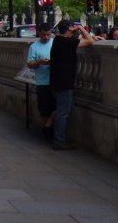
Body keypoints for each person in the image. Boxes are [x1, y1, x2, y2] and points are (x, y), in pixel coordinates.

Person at [48, 19, 97, 150]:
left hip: (56, 81)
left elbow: (82, 40)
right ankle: (59, 141)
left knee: (61, 111)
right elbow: (90, 40)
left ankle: (58, 138)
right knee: (63, 112)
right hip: (64, 82)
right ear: (70, 29)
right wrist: (81, 28)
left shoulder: (58, 40)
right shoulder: (67, 42)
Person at [24, 26, 55, 141]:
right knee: (44, 108)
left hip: (54, 80)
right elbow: (29, 64)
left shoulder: (55, 43)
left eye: (48, 35)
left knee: (56, 106)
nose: (46, 37)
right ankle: (47, 128)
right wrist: (40, 62)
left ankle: (48, 127)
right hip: (42, 81)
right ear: (39, 34)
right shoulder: (34, 47)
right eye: (43, 35)